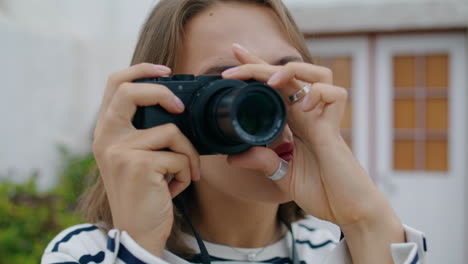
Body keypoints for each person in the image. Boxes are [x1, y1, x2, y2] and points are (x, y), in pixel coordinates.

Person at [41, 0, 427, 263]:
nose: (267, 106)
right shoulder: (86, 253)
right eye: (229, 86)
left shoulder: (334, 249)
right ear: (158, 108)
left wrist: (365, 219)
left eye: (283, 78)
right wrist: (139, 250)